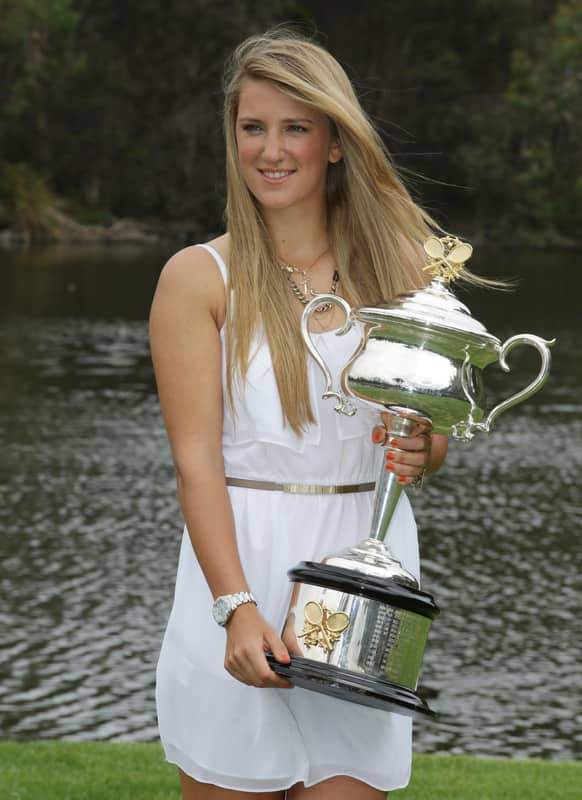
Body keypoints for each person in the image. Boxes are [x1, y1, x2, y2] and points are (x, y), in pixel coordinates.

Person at [150, 28, 448, 800]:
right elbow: (197, 463)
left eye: (295, 128)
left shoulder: (404, 271)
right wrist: (236, 608)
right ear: (233, 136)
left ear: (335, 143)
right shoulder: (197, 278)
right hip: (238, 561)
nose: (271, 150)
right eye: (253, 127)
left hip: (364, 571)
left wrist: (425, 446)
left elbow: (426, 435)